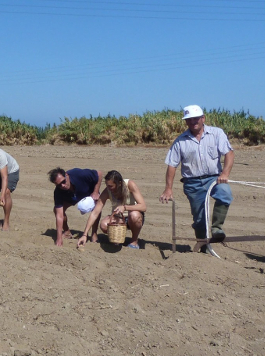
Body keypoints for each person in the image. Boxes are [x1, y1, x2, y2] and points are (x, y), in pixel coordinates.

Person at [160, 105, 234, 245]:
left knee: (225, 194)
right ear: (186, 122)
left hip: (214, 178)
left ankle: (217, 228)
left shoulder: (217, 133)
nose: (193, 122)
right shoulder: (180, 141)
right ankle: (203, 246)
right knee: (200, 219)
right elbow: (172, 165)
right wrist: (168, 188)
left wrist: (225, 173)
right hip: (192, 183)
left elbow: (229, 153)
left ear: (203, 118)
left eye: (196, 119)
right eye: (189, 120)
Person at [77, 170, 147, 249]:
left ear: (119, 183)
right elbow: (95, 213)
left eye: (111, 186)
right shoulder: (107, 191)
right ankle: (118, 238)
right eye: (107, 185)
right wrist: (84, 234)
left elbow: (143, 207)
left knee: (134, 215)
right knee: (104, 225)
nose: (108, 188)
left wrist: (125, 207)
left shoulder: (130, 185)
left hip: (133, 217)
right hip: (118, 218)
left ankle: (134, 241)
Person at [48, 167, 103, 247]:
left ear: (66, 175)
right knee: (57, 210)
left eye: (63, 181)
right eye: (59, 185)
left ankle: (94, 233)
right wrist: (59, 238)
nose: (63, 185)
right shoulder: (58, 192)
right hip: (72, 196)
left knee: (97, 204)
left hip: (88, 193)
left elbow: (99, 173)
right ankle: (67, 232)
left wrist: (95, 192)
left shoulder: (79, 174)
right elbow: (59, 216)